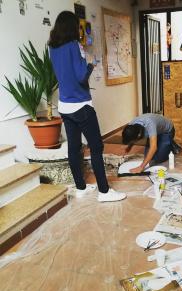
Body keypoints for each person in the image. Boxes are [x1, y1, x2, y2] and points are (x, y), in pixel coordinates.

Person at [48, 11, 126, 202]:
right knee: (96, 147)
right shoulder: (74, 46)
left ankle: (81, 188)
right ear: (72, 27)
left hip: (65, 106)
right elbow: (81, 76)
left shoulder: (53, 47)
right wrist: (90, 64)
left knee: (74, 148)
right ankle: (105, 192)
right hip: (81, 105)